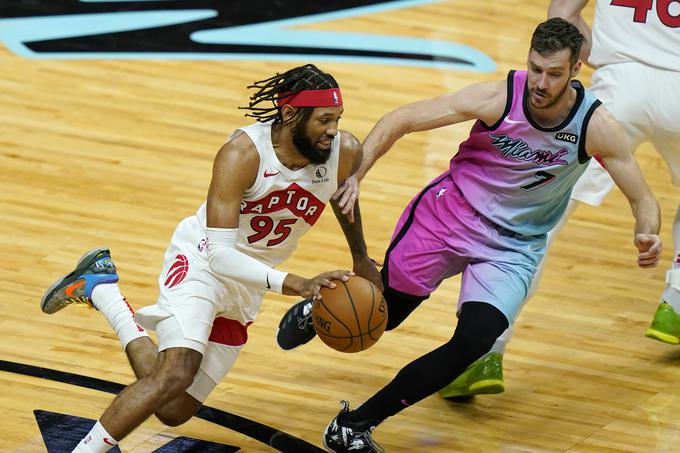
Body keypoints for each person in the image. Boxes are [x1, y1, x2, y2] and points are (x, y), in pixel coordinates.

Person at [276, 19, 662, 452]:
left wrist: (647, 233)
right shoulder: (498, 97)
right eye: (535, 68)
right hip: (447, 215)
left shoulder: (596, 125)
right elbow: (403, 118)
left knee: (476, 340)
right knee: (380, 318)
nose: (541, 81)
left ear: (575, 71)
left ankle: (354, 425)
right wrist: (358, 174)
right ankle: (319, 307)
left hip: (513, 245)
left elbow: (643, 197)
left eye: (554, 74)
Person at [39, 63, 381, 452]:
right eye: (324, 120)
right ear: (290, 114)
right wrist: (297, 284)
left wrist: (361, 259)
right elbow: (220, 255)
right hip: (201, 262)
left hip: (251, 282)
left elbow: (342, 196)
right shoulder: (242, 154)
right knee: (177, 370)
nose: (333, 131)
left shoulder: (344, 151)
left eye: (337, 119)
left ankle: (103, 291)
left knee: (173, 409)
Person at [434, 0, 680, 399]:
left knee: (541, 220)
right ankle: (677, 303)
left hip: (620, 85)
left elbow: (561, 12)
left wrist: (603, 55)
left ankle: (485, 351)